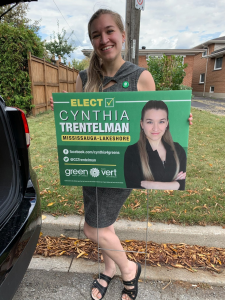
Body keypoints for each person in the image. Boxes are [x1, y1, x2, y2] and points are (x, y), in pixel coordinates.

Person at [50, 8, 193, 300]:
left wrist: (180, 121)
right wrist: (62, 114)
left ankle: (129, 269)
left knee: (94, 228)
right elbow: (78, 125)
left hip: (123, 166)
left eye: (109, 31)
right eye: (96, 34)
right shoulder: (83, 78)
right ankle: (109, 270)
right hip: (91, 164)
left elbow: (155, 120)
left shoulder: (141, 77)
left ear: (123, 35)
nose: (103, 39)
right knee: (107, 224)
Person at [124, 100, 186, 190]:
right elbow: (133, 186)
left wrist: (153, 185)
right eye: (150, 122)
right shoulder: (132, 152)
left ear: (167, 124)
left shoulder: (178, 150)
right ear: (142, 124)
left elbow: (183, 184)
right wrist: (174, 184)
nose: (155, 128)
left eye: (161, 122)